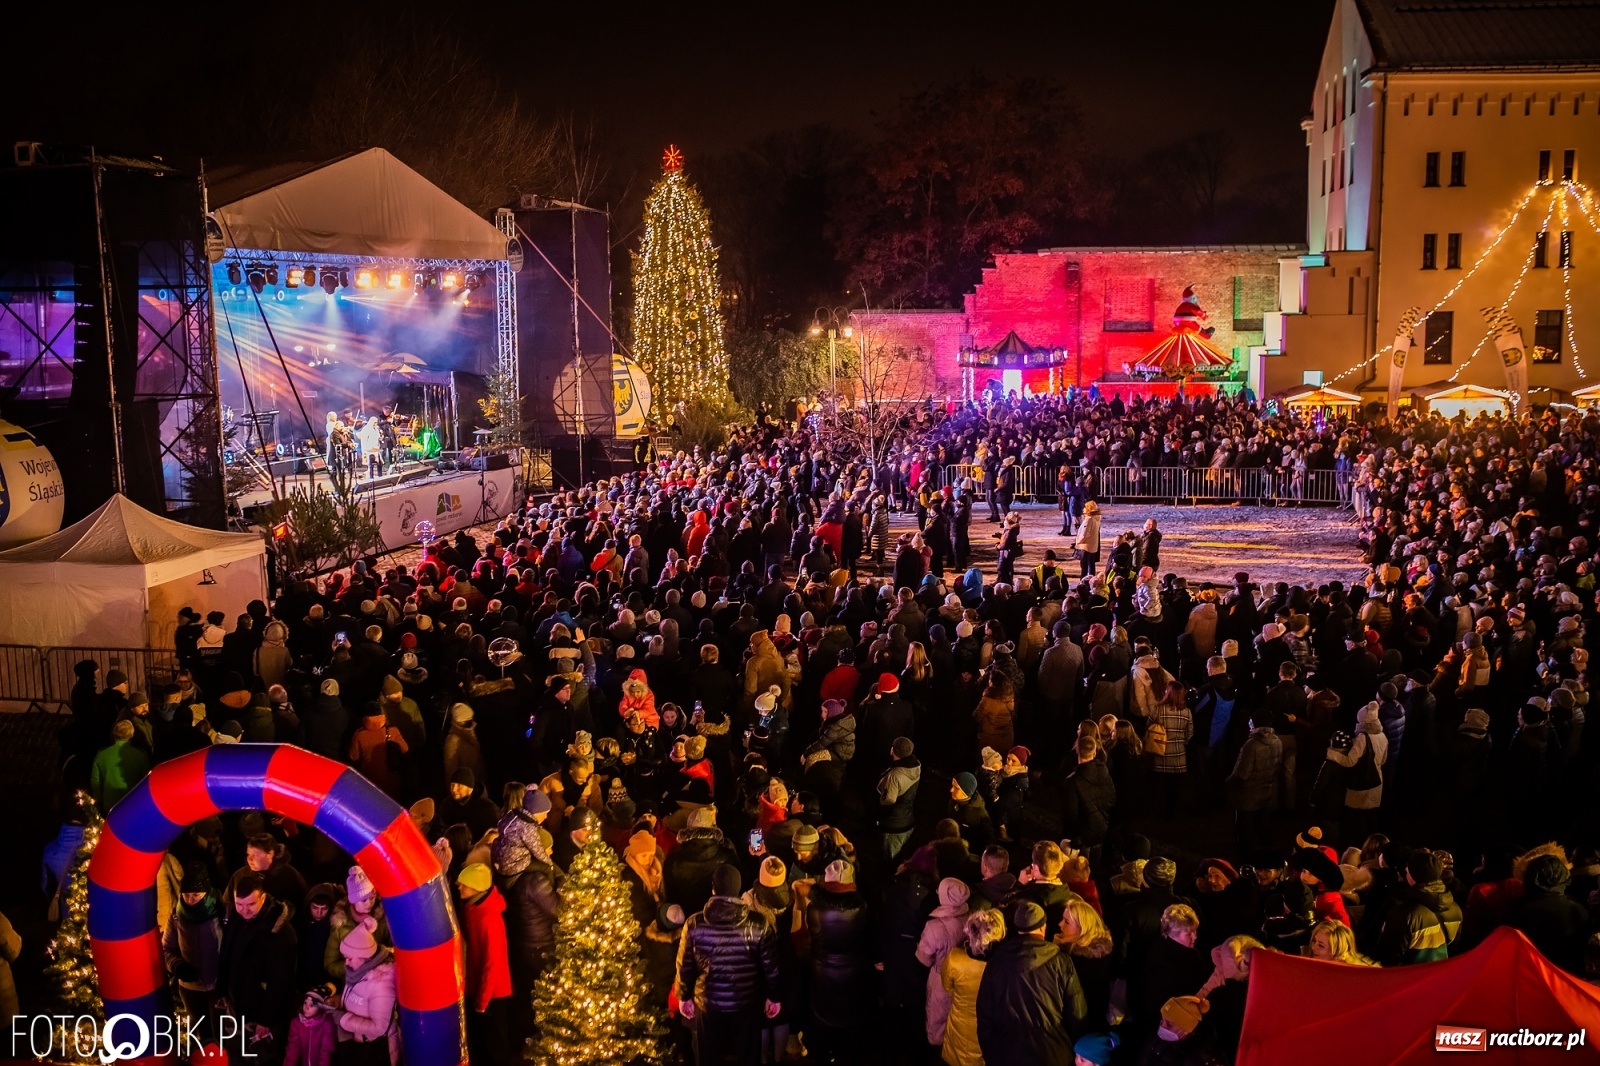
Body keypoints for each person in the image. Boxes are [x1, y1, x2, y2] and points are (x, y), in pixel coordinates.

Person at [674, 863, 781, 1066]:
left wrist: (683, 996)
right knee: (749, 1056)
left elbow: (684, 965)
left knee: (709, 1057)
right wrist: (774, 996)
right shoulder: (758, 923)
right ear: (739, 890)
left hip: (708, 1003)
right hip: (746, 1000)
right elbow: (770, 966)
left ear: (713, 888)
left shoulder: (694, 923)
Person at [976, 900, 1088, 1066]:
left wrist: (990, 1050)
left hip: (1006, 1053)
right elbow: (1077, 1012)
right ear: (1043, 927)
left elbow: (984, 1012)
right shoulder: (1061, 961)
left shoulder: (996, 962)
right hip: (1052, 1053)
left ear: (1017, 928)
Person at [216, 873, 298, 1057]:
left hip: (261, 1012)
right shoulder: (236, 919)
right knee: (236, 1054)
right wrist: (222, 990)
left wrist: (265, 1019)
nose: (244, 910)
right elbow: (226, 955)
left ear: (263, 897)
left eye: (251, 904)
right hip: (236, 1004)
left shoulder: (281, 932)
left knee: (260, 1057)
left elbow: (281, 981)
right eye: (240, 904)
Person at [457, 862, 514, 1064]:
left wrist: (481, 1002)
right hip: (478, 988)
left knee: (495, 1045)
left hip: (492, 994)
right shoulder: (472, 907)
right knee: (482, 1042)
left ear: (477, 887)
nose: (459, 886)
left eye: (464, 884)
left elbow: (492, 964)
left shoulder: (488, 919)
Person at [163, 864, 223, 1039]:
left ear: (206, 893)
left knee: (221, 1035)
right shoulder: (176, 915)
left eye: (196, 895)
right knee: (200, 1035)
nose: (190, 900)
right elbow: (167, 948)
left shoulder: (221, 911)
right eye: (186, 895)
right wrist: (177, 966)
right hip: (190, 988)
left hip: (218, 986)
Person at [940, 907, 1005, 1066]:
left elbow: (947, 987)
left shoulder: (955, 958)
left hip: (959, 1025)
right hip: (991, 1028)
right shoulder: (1003, 964)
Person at [333, 917, 398, 1064]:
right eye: (345, 958)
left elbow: (380, 1028)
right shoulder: (357, 972)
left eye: (349, 958)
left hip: (375, 1051)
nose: (346, 963)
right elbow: (357, 998)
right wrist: (337, 1000)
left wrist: (343, 1019)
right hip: (359, 1045)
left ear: (364, 957)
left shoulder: (381, 985)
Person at [918, 877, 972, 1048]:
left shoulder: (934, 926)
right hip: (966, 977)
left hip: (940, 976)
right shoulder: (972, 917)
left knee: (937, 1017)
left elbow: (923, 958)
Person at [89, 719, 150, 810]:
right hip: (133, 802)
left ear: (114, 734)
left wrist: (98, 801)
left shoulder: (102, 754)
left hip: (109, 803)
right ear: (132, 734)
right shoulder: (140, 755)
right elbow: (146, 780)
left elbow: (95, 780)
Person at [1076, 501, 1103, 577]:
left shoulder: (1089, 519)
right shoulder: (1097, 518)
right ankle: (1091, 581)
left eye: (1085, 507)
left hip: (1086, 546)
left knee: (1084, 566)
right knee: (1091, 565)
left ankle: (1083, 583)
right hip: (1093, 545)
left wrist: (1078, 541)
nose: (1083, 509)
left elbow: (1084, 534)